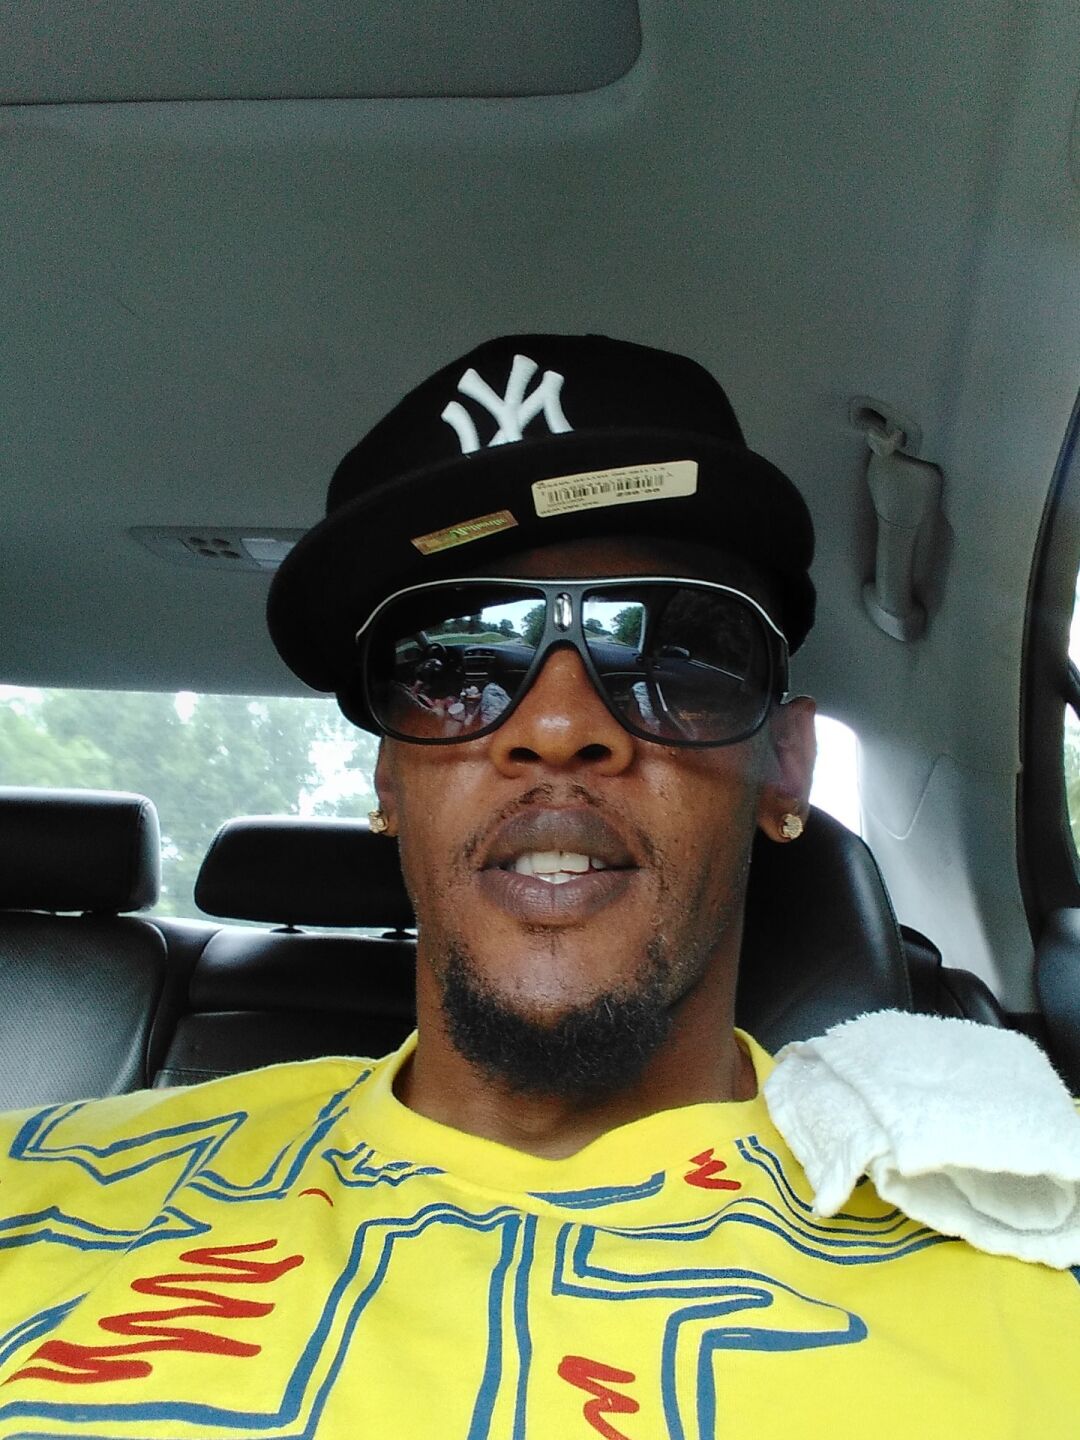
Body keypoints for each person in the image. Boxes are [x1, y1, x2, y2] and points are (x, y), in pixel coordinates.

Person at [0, 334, 1077, 1437]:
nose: (559, 726)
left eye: (671, 650)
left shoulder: (1035, 1266)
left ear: (785, 769)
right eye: (457, 663)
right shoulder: (43, 1194)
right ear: (388, 782)